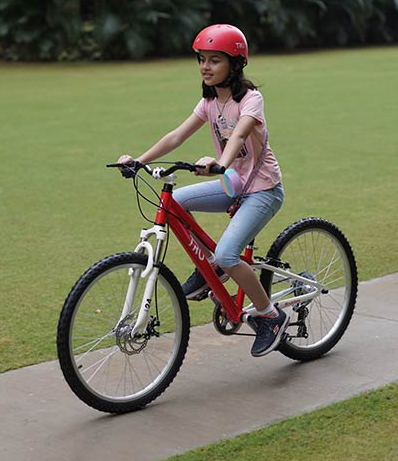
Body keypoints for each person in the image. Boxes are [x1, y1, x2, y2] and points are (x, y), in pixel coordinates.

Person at [117, 24, 287, 357]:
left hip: (262, 189)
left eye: (215, 60)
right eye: (202, 59)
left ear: (235, 65)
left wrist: (220, 163)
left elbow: (239, 135)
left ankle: (269, 315)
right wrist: (138, 160)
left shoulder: (251, 100)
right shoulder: (209, 102)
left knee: (228, 253)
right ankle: (211, 266)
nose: (205, 67)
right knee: (175, 203)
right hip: (233, 182)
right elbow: (176, 136)